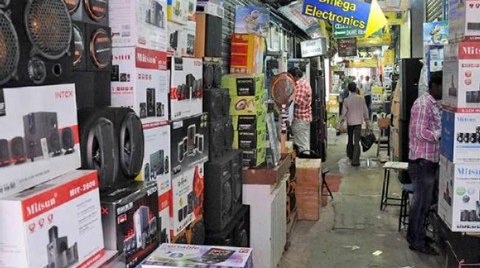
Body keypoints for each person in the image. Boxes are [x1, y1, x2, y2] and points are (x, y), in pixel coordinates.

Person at [407, 71, 443, 255]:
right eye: (443, 86)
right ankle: (416, 241)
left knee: (424, 202)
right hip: (422, 161)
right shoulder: (423, 104)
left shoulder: (434, 105)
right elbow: (421, 132)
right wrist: (440, 134)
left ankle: (417, 234)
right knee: (420, 202)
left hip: (429, 160)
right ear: (435, 86)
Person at [341, 82, 370, 166]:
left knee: (350, 139)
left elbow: (343, 112)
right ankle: (355, 161)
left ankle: (350, 154)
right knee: (356, 141)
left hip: (350, 122)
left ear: (349, 89)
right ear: (356, 88)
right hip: (358, 122)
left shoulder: (346, 100)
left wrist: (341, 122)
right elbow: (365, 110)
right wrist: (367, 121)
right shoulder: (361, 98)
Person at [289, 67, 312, 153]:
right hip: (303, 119)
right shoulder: (304, 83)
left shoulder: (301, 85)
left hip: (300, 119)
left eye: (290, 77)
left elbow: (296, 101)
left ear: (295, 76)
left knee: (302, 146)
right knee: (303, 143)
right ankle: (305, 163)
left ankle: (305, 164)